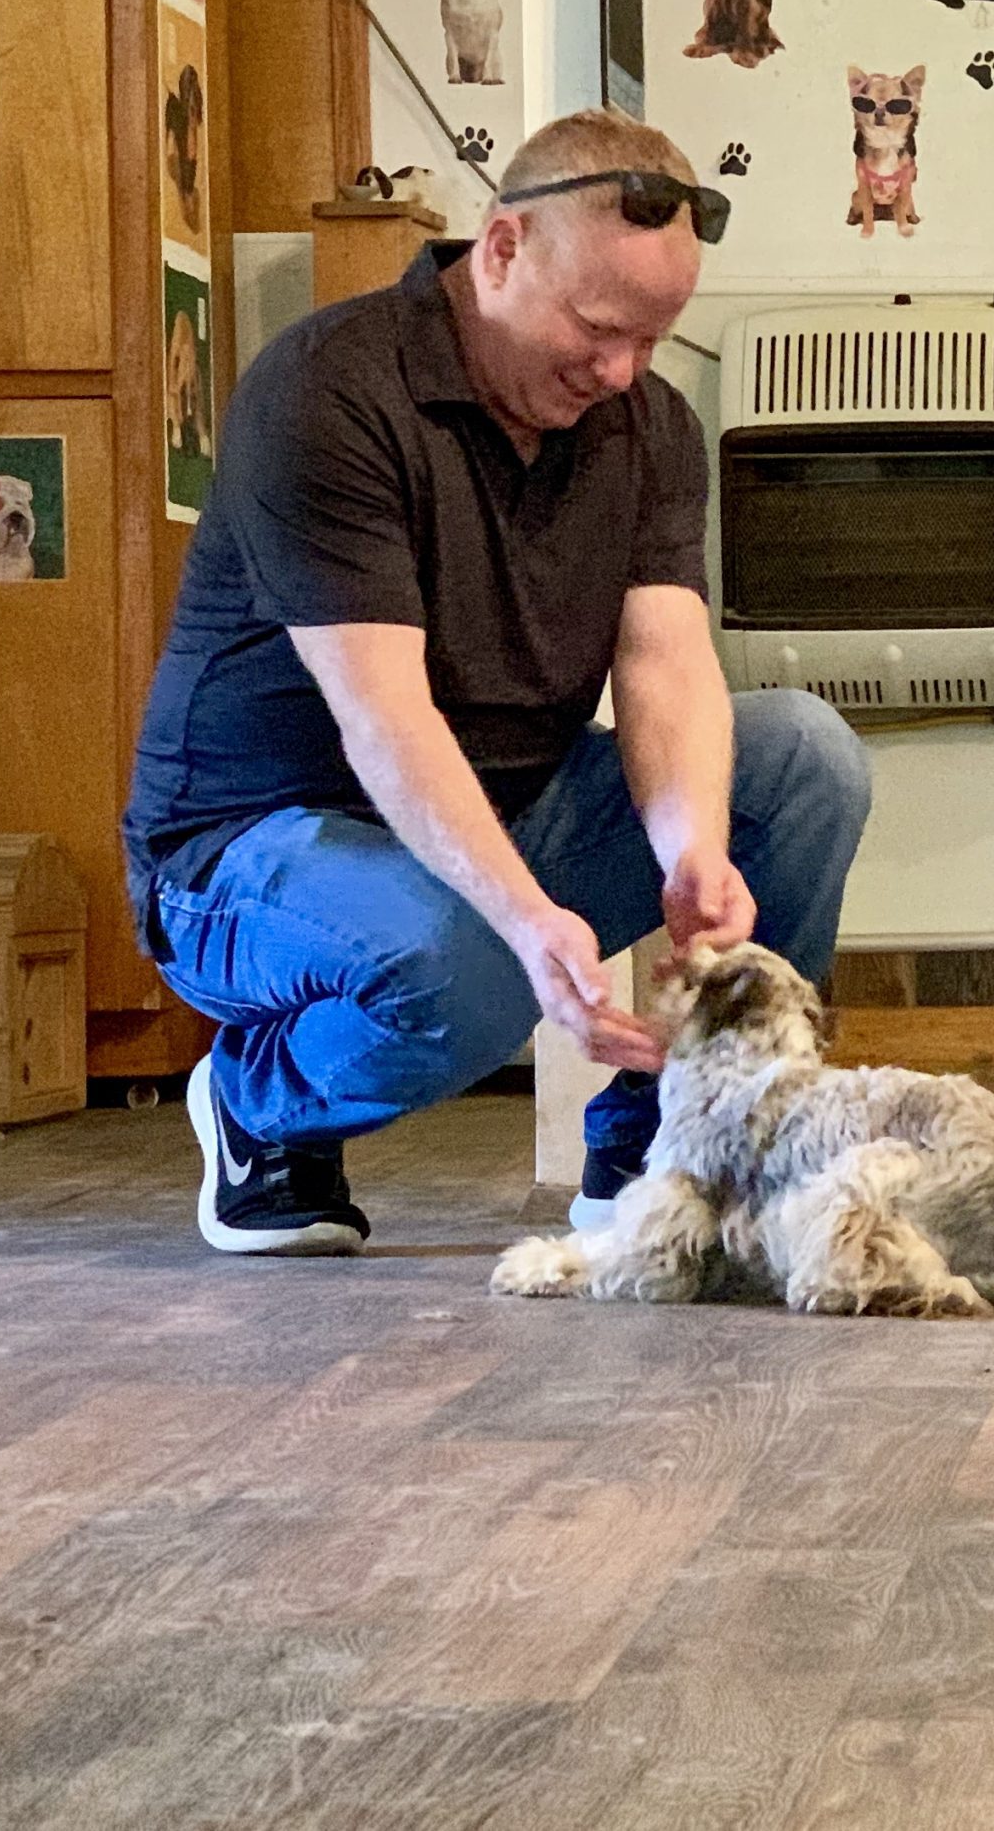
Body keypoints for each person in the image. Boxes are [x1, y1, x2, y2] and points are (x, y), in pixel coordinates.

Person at [123, 108, 871, 1255]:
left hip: (498, 813)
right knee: (468, 959)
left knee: (801, 759)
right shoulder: (329, 391)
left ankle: (664, 1151)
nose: (620, 371)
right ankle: (254, 1107)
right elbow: (385, 717)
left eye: (653, 340)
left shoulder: (646, 425)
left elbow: (666, 660)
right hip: (247, 854)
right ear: (505, 247)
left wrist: (691, 856)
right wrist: (526, 920)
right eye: (595, 327)